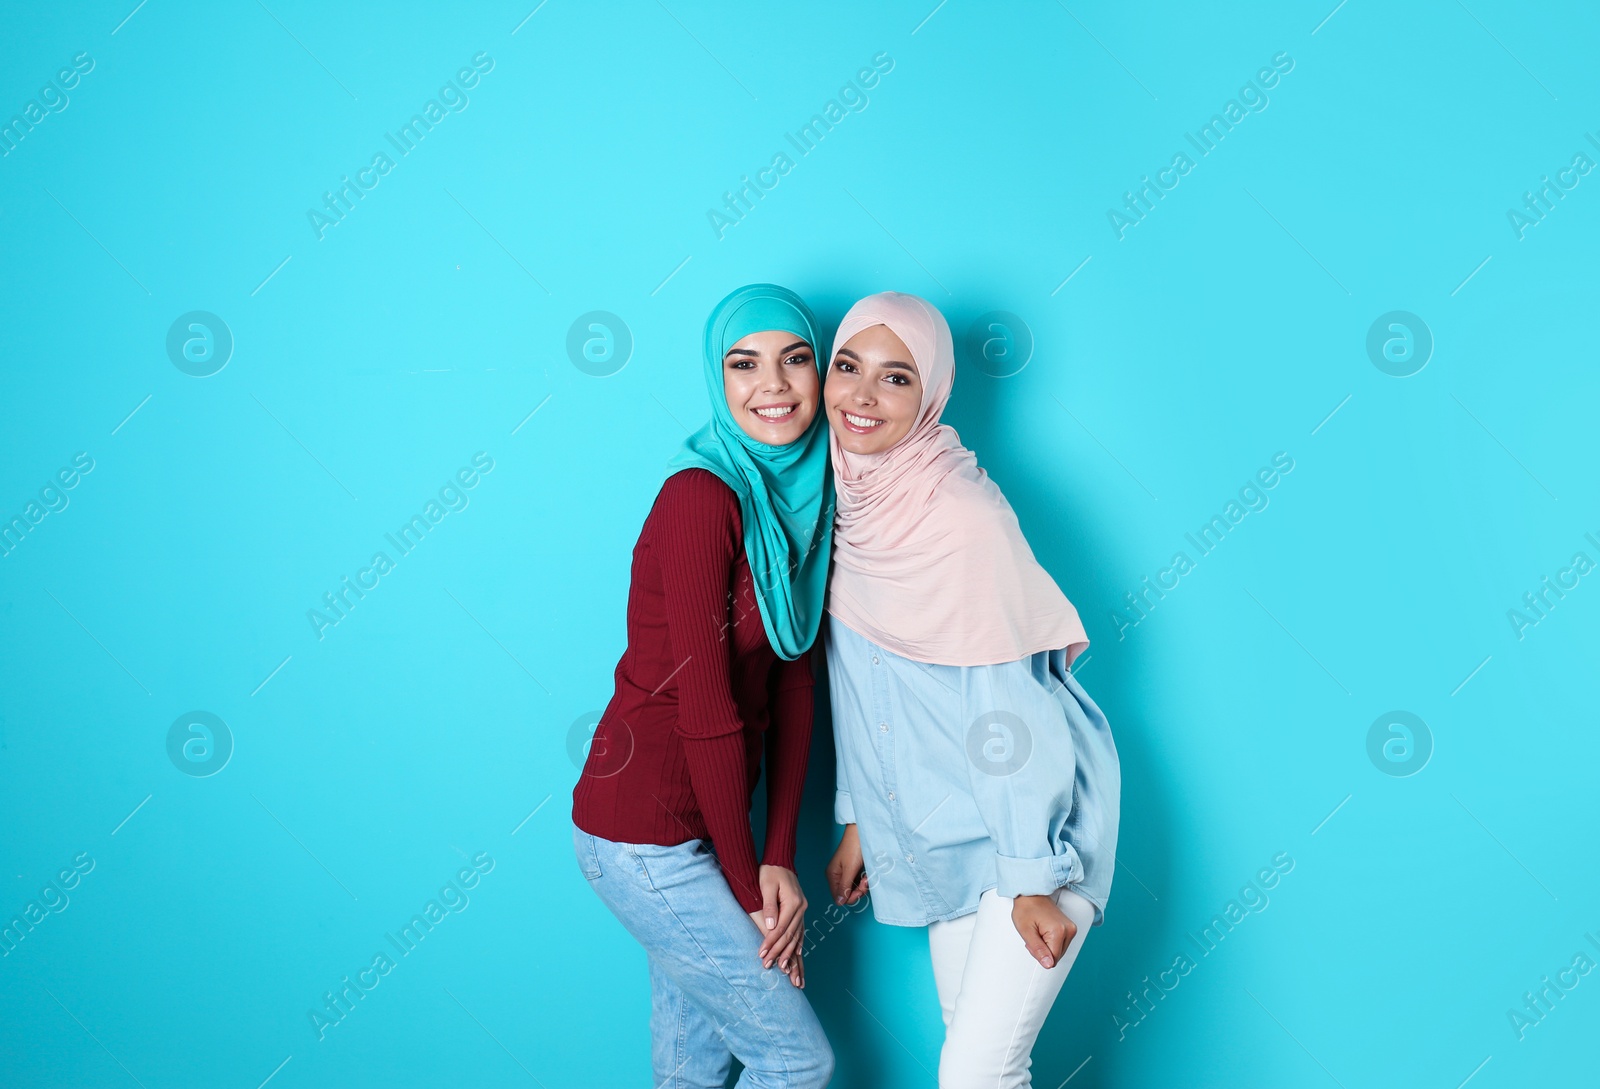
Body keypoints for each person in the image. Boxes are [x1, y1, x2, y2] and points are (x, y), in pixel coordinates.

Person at [821, 291, 1120, 1089]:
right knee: (978, 1056)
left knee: (978, 1071)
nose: (861, 396)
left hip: (1038, 829)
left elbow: (1009, 714)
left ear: (931, 396)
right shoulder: (852, 504)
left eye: (896, 378)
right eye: (847, 366)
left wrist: (1031, 878)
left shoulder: (958, 515)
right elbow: (860, 683)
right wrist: (860, 816)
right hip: (945, 829)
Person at [572, 284, 835, 1088]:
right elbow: (708, 708)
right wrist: (746, 883)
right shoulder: (701, 496)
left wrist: (779, 853)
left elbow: (793, 687)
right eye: (744, 363)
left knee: (693, 1068)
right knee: (795, 1061)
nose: (775, 385)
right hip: (642, 832)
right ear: (717, 382)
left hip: (704, 830)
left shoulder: (801, 502)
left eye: (796, 360)